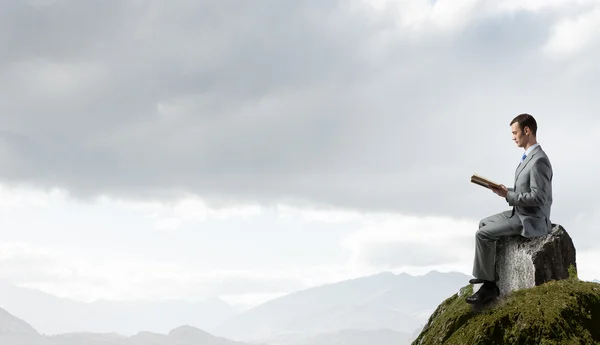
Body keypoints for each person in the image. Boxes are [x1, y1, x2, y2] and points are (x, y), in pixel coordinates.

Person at [466, 113, 553, 304]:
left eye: (515, 132)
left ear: (527, 130)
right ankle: (485, 272)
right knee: (483, 223)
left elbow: (538, 198)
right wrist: (506, 191)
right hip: (520, 212)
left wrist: (508, 196)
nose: (513, 137)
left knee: (482, 234)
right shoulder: (528, 157)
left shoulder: (539, 160)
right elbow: (527, 190)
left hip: (531, 218)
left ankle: (489, 286)